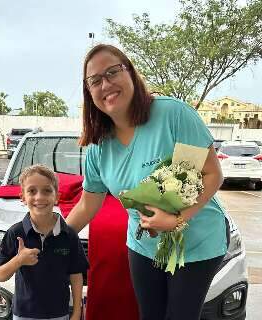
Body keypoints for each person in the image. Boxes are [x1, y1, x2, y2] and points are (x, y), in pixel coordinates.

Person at [66, 44, 229, 320]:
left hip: (196, 242)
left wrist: (176, 219)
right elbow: (87, 205)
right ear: (88, 92)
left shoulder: (171, 115)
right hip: (144, 245)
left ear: (130, 72)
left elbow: (212, 174)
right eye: (95, 80)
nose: (105, 84)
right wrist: (48, 237)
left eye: (112, 72)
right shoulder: (98, 147)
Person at [0, 164, 89, 320]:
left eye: (47, 191)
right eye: (32, 191)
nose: (39, 197)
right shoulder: (15, 233)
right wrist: (19, 260)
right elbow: (0, 275)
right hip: (24, 314)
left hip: (59, 314)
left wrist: (77, 311)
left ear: (57, 196)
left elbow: (76, 275)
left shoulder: (69, 235)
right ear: (23, 197)